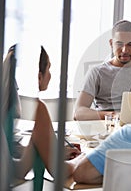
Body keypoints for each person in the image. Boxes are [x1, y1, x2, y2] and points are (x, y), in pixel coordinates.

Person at [0, 45, 81, 181]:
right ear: (38, 76)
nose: (50, 75)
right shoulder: (38, 108)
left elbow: (16, 169)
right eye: (49, 68)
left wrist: (46, 147)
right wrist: (84, 160)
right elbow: (59, 171)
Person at [74, 20, 131, 121]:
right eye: (119, 44)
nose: (124, 50)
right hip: (109, 126)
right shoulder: (97, 72)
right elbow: (78, 113)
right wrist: (113, 115)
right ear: (111, 43)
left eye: (130, 44)